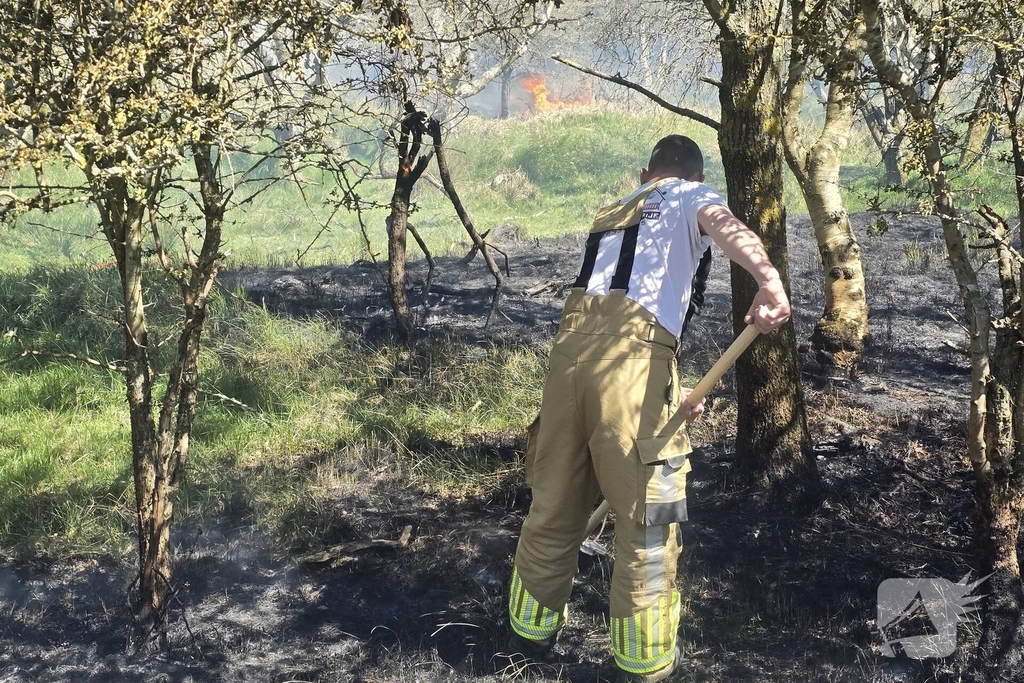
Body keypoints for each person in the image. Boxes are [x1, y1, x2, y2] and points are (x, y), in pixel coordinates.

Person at [504, 135, 791, 682]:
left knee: (554, 506)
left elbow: (626, 300)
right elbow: (727, 229)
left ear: (644, 174)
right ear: (689, 174)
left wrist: (670, 386)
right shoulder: (688, 193)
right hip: (632, 367)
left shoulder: (612, 213)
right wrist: (769, 279)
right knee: (648, 522)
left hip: (568, 362)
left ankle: (523, 638)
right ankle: (643, 664)